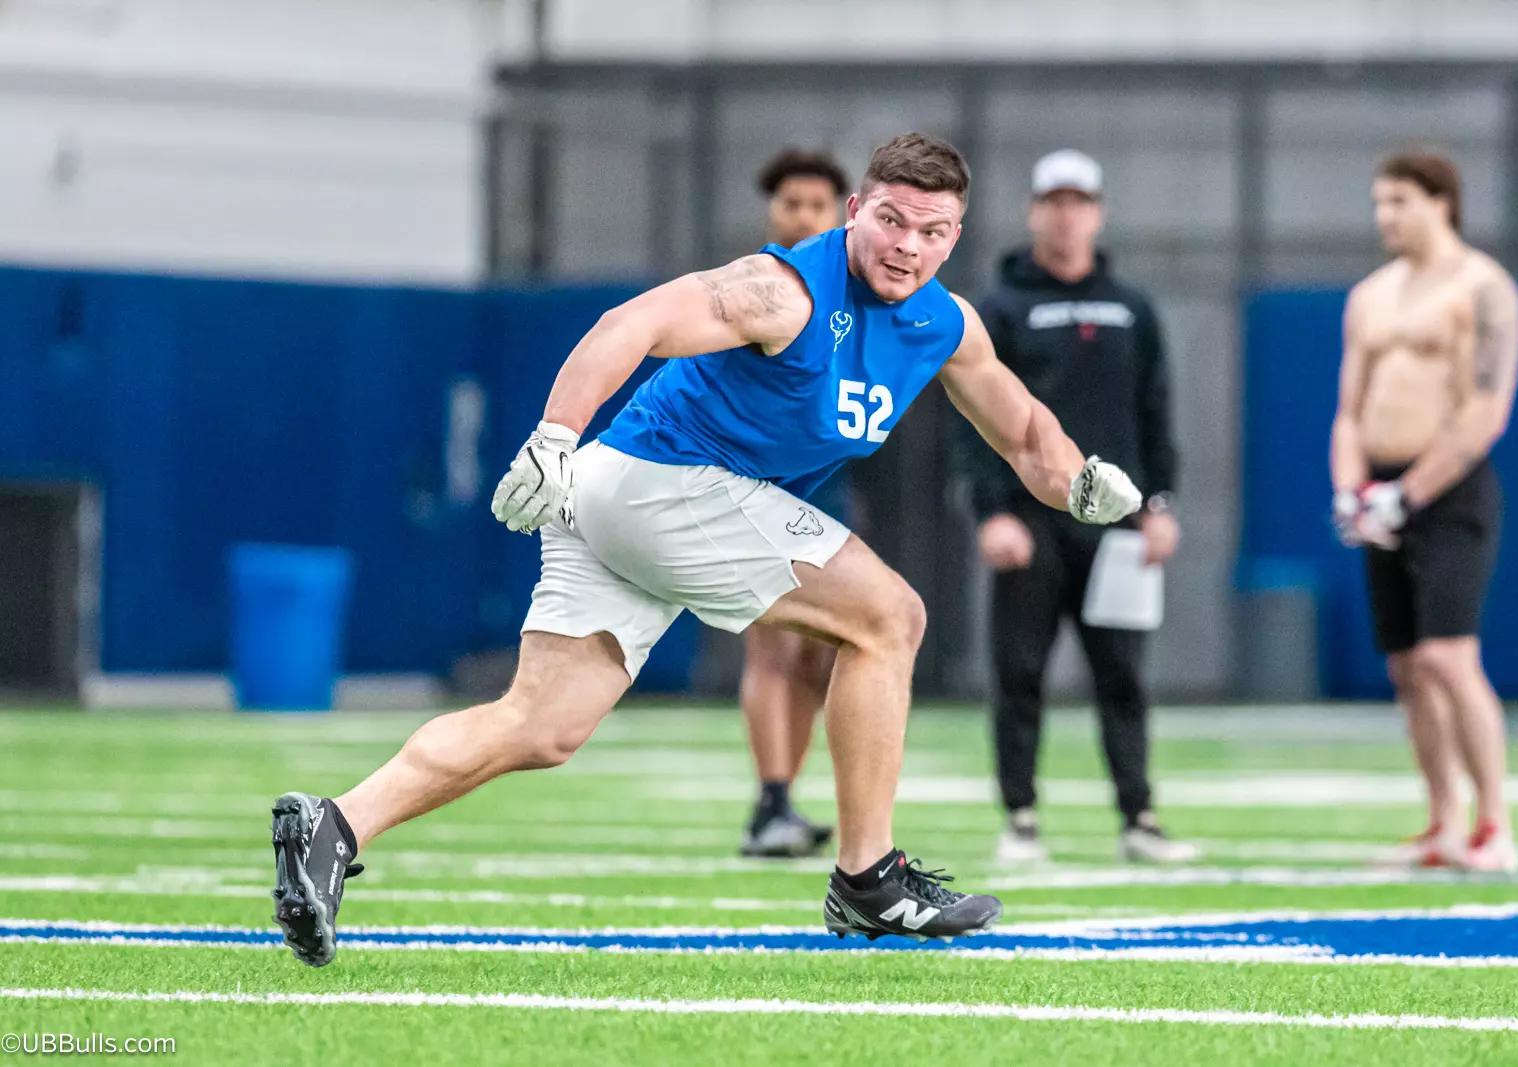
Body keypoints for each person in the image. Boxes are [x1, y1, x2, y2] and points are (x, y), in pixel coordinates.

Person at [269, 133, 1142, 968]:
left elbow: (1024, 428)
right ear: (852, 211)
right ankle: (868, 877)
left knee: (543, 723)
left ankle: (334, 824)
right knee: (890, 616)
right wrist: (553, 433)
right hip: (659, 481)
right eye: (891, 220)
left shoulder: (944, 323)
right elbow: (636, 321)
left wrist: (1079, 481)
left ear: (956, 238)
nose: (907, 246)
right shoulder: (785, 290)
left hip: (629, 497)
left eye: (932, 230)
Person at [960, 149, 1198, 866]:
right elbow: (971, 417)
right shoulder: (1001, 308)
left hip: (1118, 522)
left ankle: (1139, 816)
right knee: (1020, 671)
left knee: (1122, 674)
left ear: (1097, 212)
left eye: (1079, 201)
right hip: (1032, 522)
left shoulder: (1132, 308)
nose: (1066, 214)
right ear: (1034, 210)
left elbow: (1153, 413)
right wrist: (991, 512)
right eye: (1053, 201)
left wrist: (1159, 504)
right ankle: (1021, 817)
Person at [1331, 150, 1518, 873]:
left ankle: (1494, 825)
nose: (1386, 215)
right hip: (1378, 493)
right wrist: (1353, 491)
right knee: (1408, 665)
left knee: (1449, 655)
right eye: (1380, 202)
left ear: (1442, 201)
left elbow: (1485, 412)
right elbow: (1349, 411)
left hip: (1448, 491)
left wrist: (1406, 493)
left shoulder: (1483, 288)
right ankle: (1443, 821)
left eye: (1400, 201)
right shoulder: (1371, 296)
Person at [738, 148, 853, 858]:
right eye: (791, 203)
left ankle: (781, 797)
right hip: (756, 494)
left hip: (826, 492)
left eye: (817, 204)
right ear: (772, 212)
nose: (804, 215)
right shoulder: (755, 288)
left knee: (819, 658)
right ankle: (771, 795)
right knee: (773, 647)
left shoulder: (854, 290)